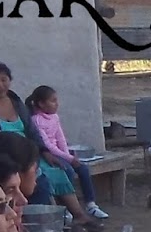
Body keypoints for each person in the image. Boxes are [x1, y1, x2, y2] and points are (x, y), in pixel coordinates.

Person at [26, 86, 108, 220]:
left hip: (61, 153)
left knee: (83, 169)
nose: (57, 104)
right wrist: (68, 159)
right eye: (53, 101)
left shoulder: (54, 117)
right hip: (48, 154)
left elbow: (60, 138)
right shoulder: (36, 120)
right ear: (41, 104)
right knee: (67, 171)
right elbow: (47, 145)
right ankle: (66, 208)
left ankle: (91, 204)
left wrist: (68, 156)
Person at [0, 61, 42, 148]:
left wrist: (44, 150)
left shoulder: (17, 102)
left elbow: (33, 131)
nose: (0, 85)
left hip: (29, 151)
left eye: (3, 80)